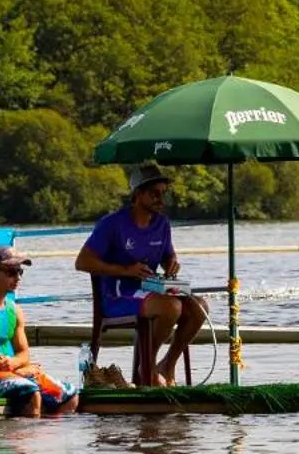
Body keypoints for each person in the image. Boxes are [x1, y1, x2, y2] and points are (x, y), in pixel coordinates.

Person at [76, 161, 205, 387]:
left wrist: (172, 264)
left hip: (150, 290)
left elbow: (168, 256)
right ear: (137, 194)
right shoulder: (112, 224)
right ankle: (146, 367)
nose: (160, 199)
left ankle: (167, 365)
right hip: (117, 296)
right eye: (154, 193)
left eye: (163, 193)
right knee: (171, 307)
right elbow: (82, 262)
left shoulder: (162, 224)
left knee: (199, 306)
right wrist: (125, 270)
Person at [0, 245, 78, 417]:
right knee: (31, 393)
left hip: (8, 372)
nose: (18, 277)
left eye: (20, 272)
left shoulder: (15, 309)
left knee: (68, 395)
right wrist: (16, 369)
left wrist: (15, 366)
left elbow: (24, 354)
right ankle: (24, 433)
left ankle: (43, 429)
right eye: (11, 272)